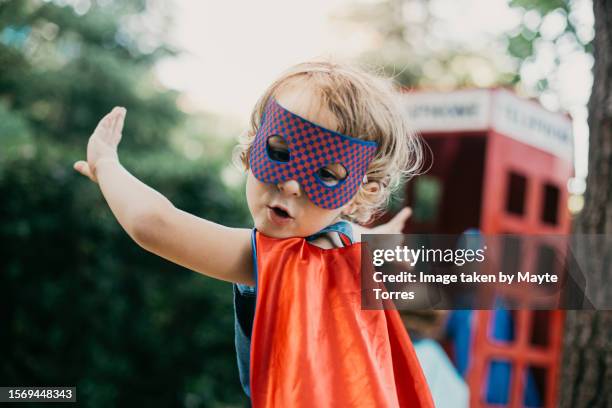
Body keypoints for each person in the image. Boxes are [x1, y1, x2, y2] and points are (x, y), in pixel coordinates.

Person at [73, 60, 434, 407]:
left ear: (361, 192)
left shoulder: (273, 259)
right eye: (279, 152)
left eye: (326, 175)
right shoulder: (347, 247)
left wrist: (107, 165)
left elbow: (153, 224)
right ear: (252, 146)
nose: (291, 184)